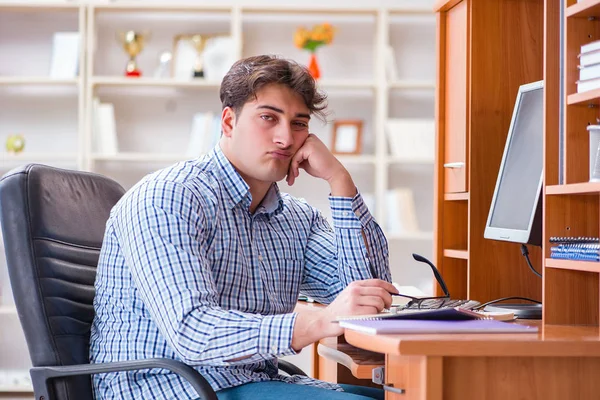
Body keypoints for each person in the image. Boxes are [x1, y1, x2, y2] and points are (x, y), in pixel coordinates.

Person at [90, 54, 397, 400]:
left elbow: (368, 299)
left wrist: (340, 181)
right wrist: (312, 324)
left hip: (250, 384)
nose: (285, 138)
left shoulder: (296, 219)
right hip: (169, 387)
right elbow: (193, 330)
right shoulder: (168, 197)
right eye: (269, 117)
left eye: (299, 123)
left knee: (408, 395)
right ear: (228, 122)